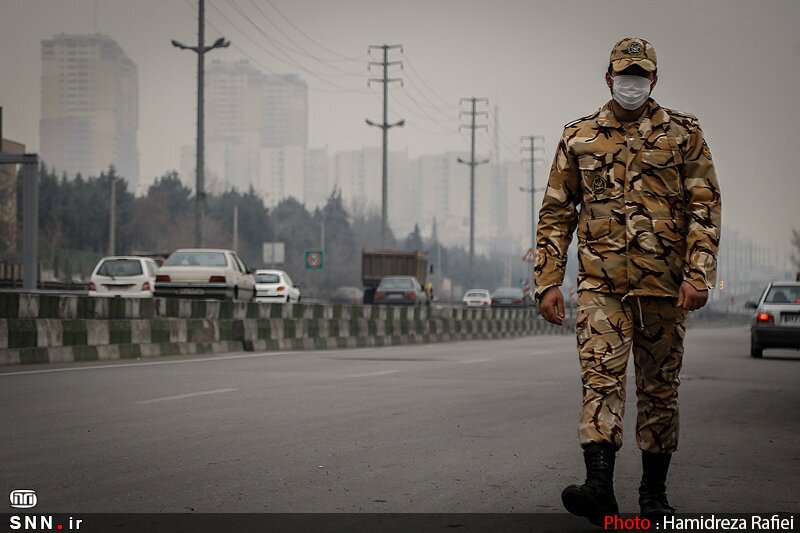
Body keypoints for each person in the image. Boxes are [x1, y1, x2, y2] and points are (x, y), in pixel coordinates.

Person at [534, 37, 721, 525]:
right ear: (608, 78)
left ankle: (653, 496)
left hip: (665, 288)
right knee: (601, 380)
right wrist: (548, 279)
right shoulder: (579, 137)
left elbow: (705, 206)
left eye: (640, 75)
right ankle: (598, 487)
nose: (632, 83)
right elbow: (556, 212)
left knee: (660, 391)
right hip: (602, 289)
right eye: (624, 75)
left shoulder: (683, 135)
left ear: (654, 80)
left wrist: (699, 274)